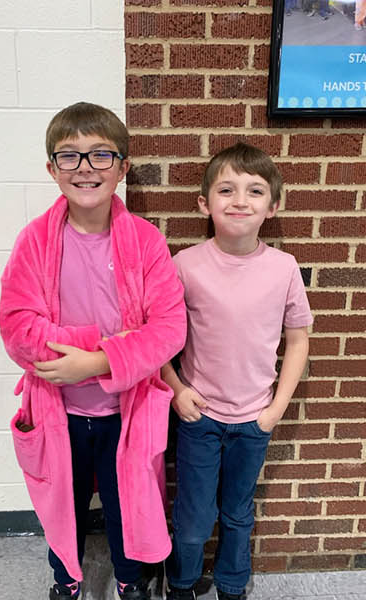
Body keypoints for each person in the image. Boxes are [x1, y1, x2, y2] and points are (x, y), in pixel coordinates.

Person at [0, 102, 187, 600]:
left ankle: (130, 579)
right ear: (51, 169)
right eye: (70, 156)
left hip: (126, 411)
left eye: (101, 155)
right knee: (64, 503)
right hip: (59, 409)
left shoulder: (146, 242)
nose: (85, 168)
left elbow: (169, 328)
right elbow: (17, 327)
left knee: (129, 505)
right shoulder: (34, 242)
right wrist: (96, 352)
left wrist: (98, 362)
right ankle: (66, 580)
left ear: (123, 167)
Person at [162, 144, 312, 600]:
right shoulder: (185, 265)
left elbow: (299, 339)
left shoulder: (284, 268)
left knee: (237, 513)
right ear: (204, 204)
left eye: (255, 191)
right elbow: (157, 337)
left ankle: (231, 584)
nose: (240, 200)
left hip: (254, 421)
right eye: (226, 190)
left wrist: (274, 410)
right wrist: (176, 389)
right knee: (192, 519)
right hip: (199, 418)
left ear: (273, 206)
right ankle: (182, 582)